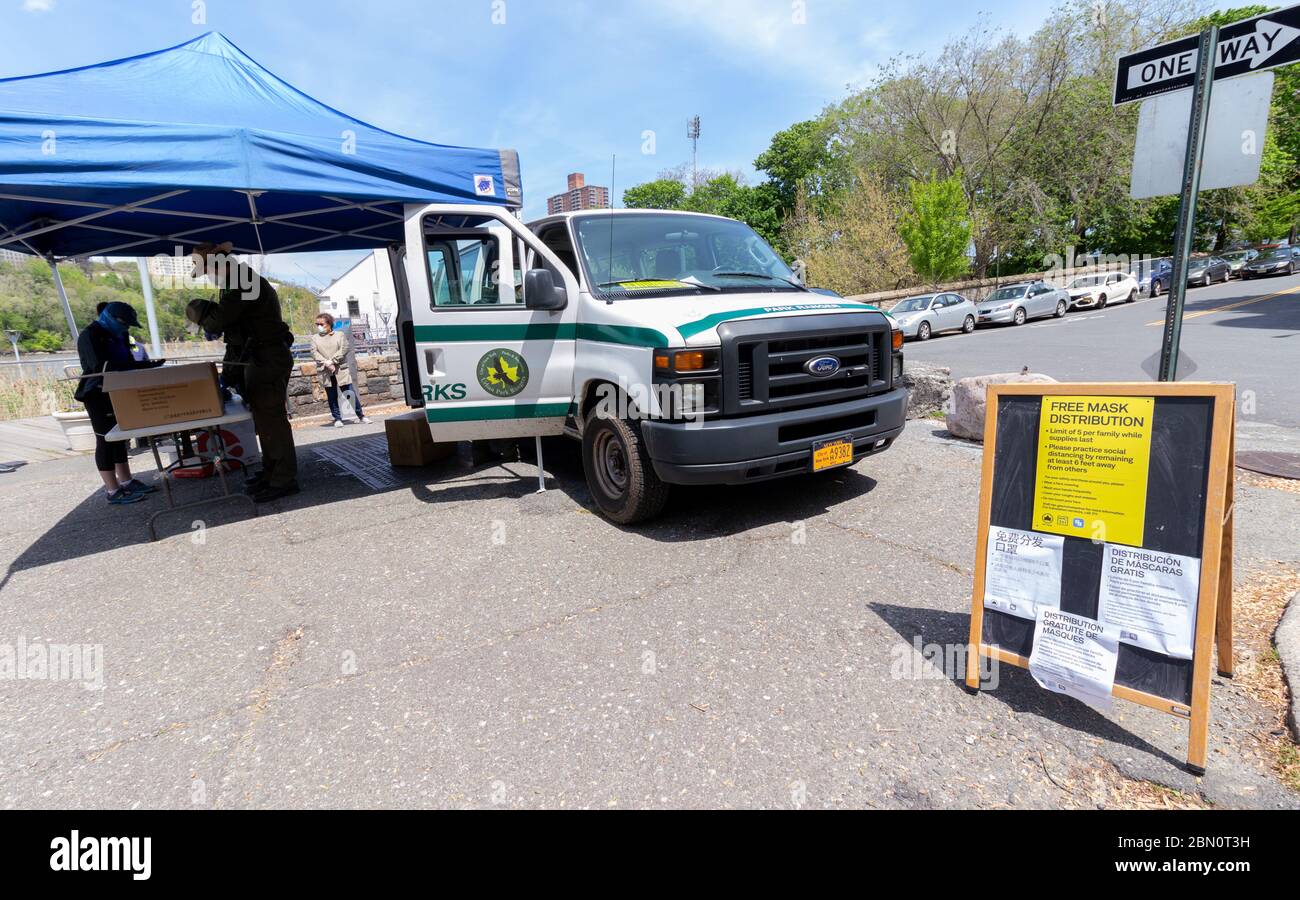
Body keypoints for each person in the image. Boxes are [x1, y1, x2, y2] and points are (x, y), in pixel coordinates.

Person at [186, 242, 299, 503]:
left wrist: (197, 310)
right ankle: (272, 473)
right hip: (259, 357)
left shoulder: (241, 281)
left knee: (272, 421)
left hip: (266, 358)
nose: (209, 276)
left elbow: (217, 320)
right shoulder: (235, 280)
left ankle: (283, 479)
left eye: (207, 270)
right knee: (264, 421)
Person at [74, 301, 162, 505]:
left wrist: (146, 365)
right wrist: (130, 367)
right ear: (112, 319)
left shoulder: (121, 335)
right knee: (105, 439)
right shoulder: (90, 335)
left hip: (119, 391)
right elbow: (99, 366)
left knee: (120, 437)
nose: (126, 329)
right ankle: (112, 490)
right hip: (96, 393)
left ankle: (127, 481)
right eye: (124, 324)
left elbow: (128, 360)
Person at [310, 313, 371, 427]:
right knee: (332, 395)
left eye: (321, 324)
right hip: (325, 371)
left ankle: (361, 415)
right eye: (317, 324)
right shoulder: (315, 338)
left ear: (329, 324)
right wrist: (327, 363)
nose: (319, 326)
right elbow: (314, 353)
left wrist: (333, 361)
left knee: (349, 393)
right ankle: (337, 418)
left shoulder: (339, 335)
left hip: (340, 369)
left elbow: (344, 348)